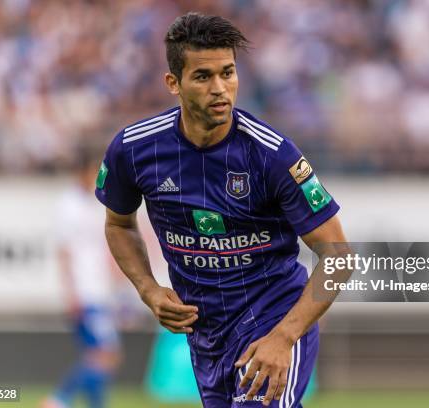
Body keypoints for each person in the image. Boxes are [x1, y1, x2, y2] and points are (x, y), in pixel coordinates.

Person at [96, 12, 347, 407]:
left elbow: (338, 256)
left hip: (273, 321)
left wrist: (284, 338)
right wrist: (147, 289)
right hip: (206, 335)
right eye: (203, 77)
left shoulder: (272, 154)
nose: (220, 88)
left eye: (228, 73)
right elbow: (118, 225)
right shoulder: (134, 149)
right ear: (173, 84)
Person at [43, 149, 122, 408]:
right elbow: (64, 252)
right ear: (82, 171)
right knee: (106, 353)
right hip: (85, 292)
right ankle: (58, 399)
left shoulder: (96, 202)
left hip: (99, 289)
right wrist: (71, 293)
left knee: (96, 355)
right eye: (94, 171)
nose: (98, 177)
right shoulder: (69, 204)